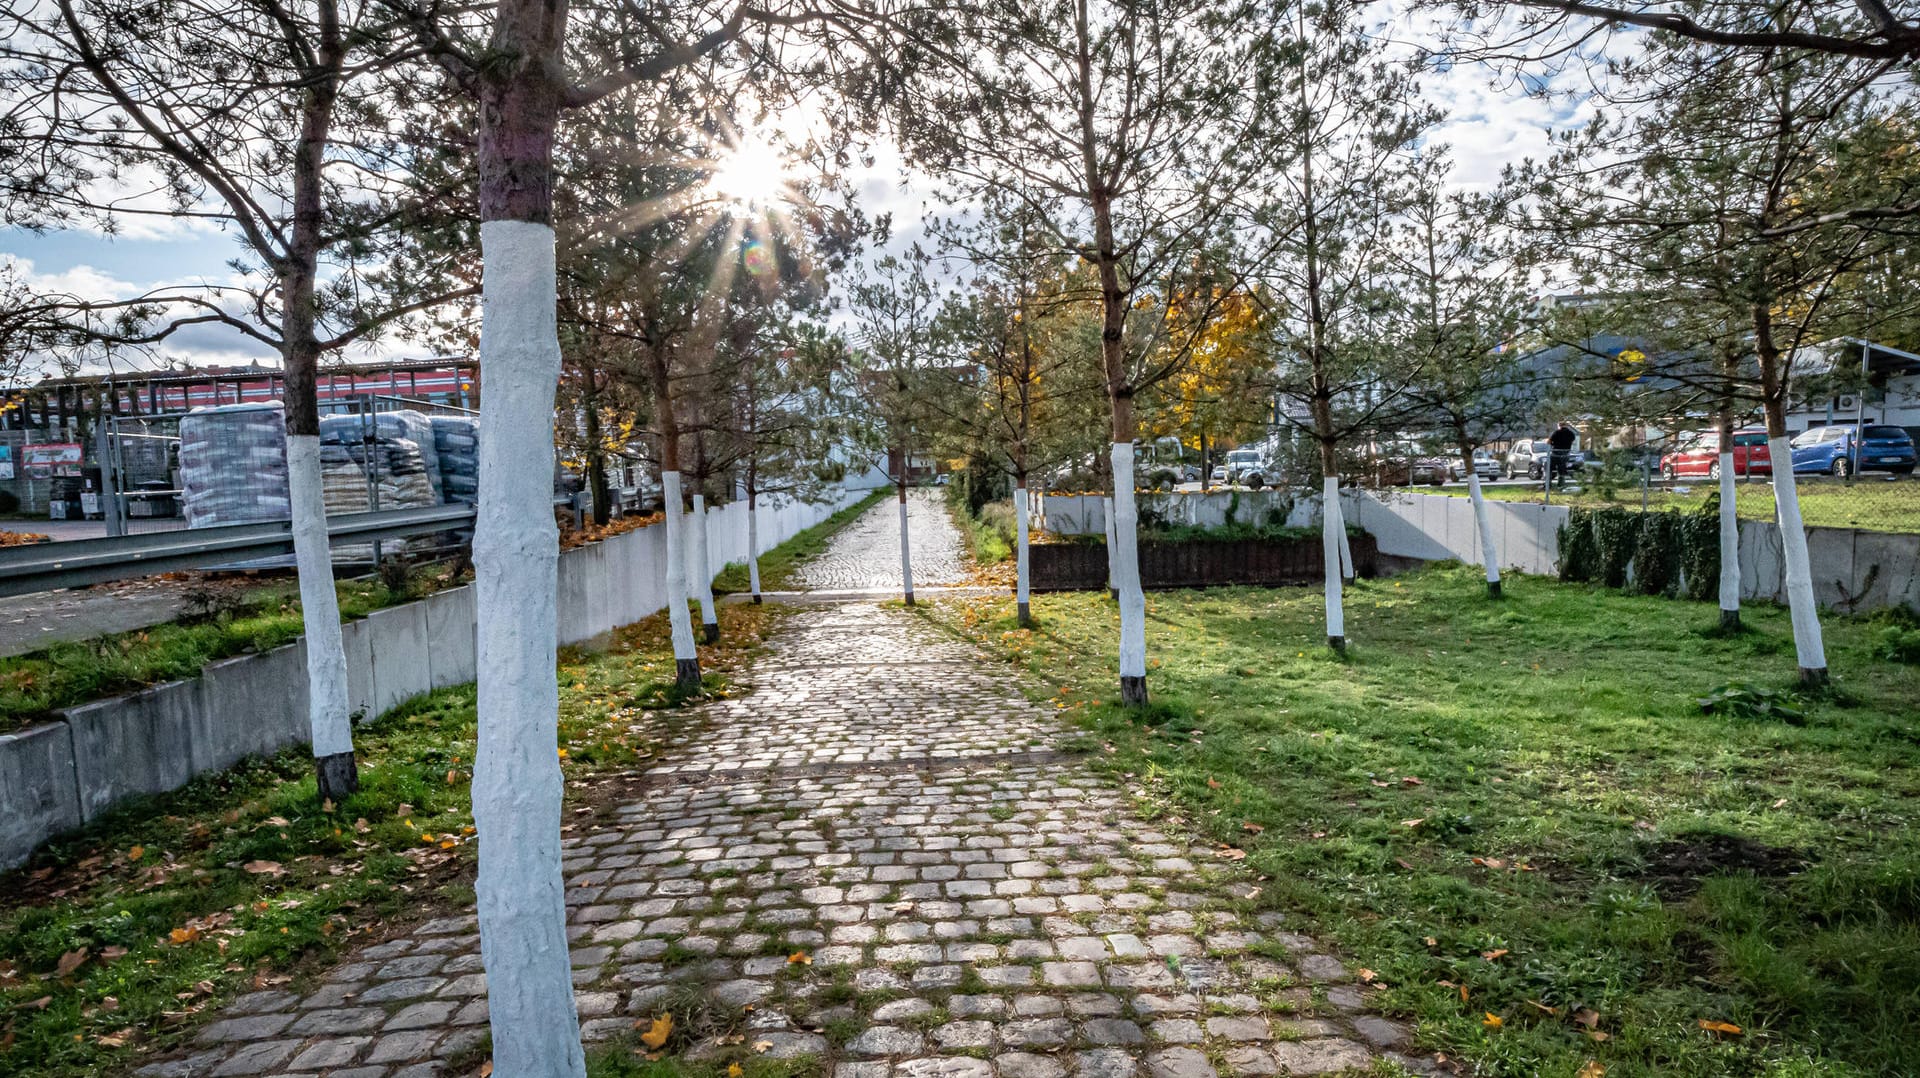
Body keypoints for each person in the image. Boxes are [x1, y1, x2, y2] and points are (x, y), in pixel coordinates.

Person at [1547, 421, 1578, 487]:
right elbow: (1572, 441)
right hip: (1566, 453)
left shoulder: (1557, 432)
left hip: (1556, 452)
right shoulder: (1571, 433)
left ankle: (1548, 483)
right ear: (1566, 426)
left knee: (1549, 467)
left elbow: (1549, 442)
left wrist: (1553, 444)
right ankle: (1561, 484)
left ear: (1559, 426)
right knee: (1562, 468)